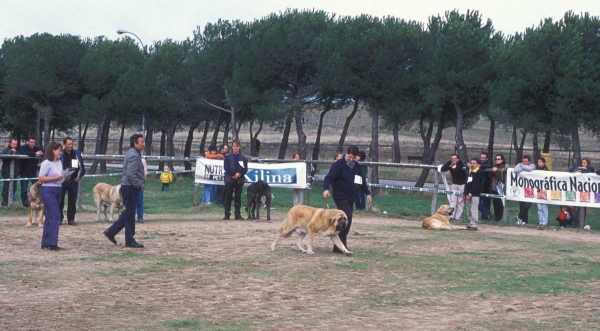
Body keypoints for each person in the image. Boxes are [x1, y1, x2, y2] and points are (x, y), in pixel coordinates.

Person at [323, 145, 372, 253]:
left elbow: (361, 181)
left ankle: (337, 247)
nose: (351, 160)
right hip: (340, 195)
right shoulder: (338, 165)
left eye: (353, 158)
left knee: (346, 221)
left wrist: (367, 193)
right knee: (346, 218)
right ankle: (342, 246)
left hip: (351, 196)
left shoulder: (356, 166)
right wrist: (326, 189)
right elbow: (329, 177)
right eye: (349, 157)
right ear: (346, 153)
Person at [103, 134, 146, 248]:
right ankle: (129, 240)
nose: (144, 144)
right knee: (130, 214)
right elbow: (130, 174)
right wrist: (139, 185)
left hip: (129, 186)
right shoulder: (133, 155)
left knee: (129, 212)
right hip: (130, 187)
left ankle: (111, 231)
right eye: (142, 142)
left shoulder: (133, 153)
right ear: (135, 143)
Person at [38, 141, 65, 251]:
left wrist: (64, 177)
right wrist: (55, 178)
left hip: (58, 189)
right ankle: (52, 242)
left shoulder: (59, 162)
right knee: (55, 215)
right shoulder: (46, 163)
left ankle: (46, 242)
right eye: (59, 150)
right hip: (48, 190)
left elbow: (60, 175)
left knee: (50, 215)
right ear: (53, 151)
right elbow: (41, 178)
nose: (61, 153)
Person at [59, 137, 85, 226]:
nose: (71, 146)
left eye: (72, 144)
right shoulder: (60, 154)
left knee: (72, 201)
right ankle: (59, 218)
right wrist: (61, 177)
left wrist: (78, 177)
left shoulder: (77, 154)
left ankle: (71, 219)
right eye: (69, 144)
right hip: (62, 181)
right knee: (60, 200)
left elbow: (82, 168)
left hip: (73, 181)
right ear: (64, 144)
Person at [223, 139, 248, 220]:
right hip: (229, 179)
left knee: (238, 197)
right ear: (232, 147)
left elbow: (245, 169)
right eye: (234, 146)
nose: (235, 148)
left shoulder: (243, 158)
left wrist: (238, 174)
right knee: (228, 197)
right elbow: (226, 167)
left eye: (237, 146)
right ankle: (227, 214)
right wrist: (234, 174)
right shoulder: (227, 157)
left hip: (239, 180)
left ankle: (237, 214)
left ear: (239, 147)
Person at [440, 154, 467, 220]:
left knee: (460, 201)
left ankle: (458, 217)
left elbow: (458, 169)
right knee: (453, 200)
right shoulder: (450, 163)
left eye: (455, 158)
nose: (453, 160)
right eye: (452, 158)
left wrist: (454, 167)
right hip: (454, 184)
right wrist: (451, 166)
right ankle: (450, 216)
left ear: (458, 159)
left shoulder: (460, 163)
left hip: (462, 184)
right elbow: (443, 168)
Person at [569, 158, 594, 228]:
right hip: (578, 191)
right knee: (576, 209)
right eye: (582, 162)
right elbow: (570, 170)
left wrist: (580, 170)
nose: (583, 164)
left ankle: (581, 224)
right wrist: (578, 169)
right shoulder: (579, 168)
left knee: (583, 209)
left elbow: (587, 171)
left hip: (586, 192)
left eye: (585, 163)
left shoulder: (590, 169)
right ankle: (573, 225)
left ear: (588, 164)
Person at [19, 137, 43, 207]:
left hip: (33, 172)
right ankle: (25, 204)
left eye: (34, 142)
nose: (33, 144)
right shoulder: (23, 147)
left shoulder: (37, 148)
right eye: (31, 142)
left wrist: (41, 153)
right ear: (28, 142)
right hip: (24, 172)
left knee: (37, 187)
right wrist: (35, 153)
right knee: (24, 189)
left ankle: (37, 201)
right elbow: (24, 153)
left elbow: (43, 152)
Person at [463, 158, 484, 231]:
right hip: (468, 194)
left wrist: (470, 193)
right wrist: (465, 193)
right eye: (471, 163)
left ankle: (474, 224)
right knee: (468, 208)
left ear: (478, 164)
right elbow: (467, 183)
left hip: (474, 194)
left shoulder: (478, 173)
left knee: (473, 208)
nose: (472, 165)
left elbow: (476, 185)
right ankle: (469, 222)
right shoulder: (470, 171)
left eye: (474, 163)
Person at [514, 155, 536, 225]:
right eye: (523, 161)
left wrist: (522, 166)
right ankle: (524, 220)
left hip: (530, 188)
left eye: (525, 161)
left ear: (529, 162)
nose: (524, 163)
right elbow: (516, 170)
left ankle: (519, 216)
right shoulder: (520, 165)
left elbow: (530, 169)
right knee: (522, 205)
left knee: (527, 205)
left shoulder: (533, 165)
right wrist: (523, 166)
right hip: (521, 188)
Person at [1, 138, 20, 207]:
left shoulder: (17, 151)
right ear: (10, 143)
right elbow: (4, 156)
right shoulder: (6, 150)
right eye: (13, 144)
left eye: (16, 144)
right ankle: (5, 203)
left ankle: (10, 201)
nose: (15, 145)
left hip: (15, 173)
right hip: (6, 172)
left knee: (14, 188)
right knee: (6, 188)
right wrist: (11, 152)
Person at [489, 154, 506, 221]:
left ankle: (500, 217)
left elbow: (501, 178)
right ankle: (496, 216)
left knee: (501, 202)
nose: (497, 160)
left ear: (502, 160)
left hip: (501, 186)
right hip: (494, 186)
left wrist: (496, 171)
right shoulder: (494, 166)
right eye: (496, 159)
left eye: (498, 159)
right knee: (495, 202)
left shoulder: (504, 167)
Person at [478, 152, 492, 221]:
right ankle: (488, 214)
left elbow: (489, 166)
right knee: (478, 203)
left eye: (484, 158)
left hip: (486, 187)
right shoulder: (477, 164)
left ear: (487, 159)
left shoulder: (489, 164)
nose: (482, 159)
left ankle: (485, 219)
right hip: (478, 187)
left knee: (487, 204)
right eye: (481, 158)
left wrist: (479, 166)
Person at [536, 157, 549, 230]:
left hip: (544, 190)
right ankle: (540, 222)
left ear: (544, 163)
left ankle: (545, 222)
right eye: (538, 162)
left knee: (544, 207)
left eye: (540, 162)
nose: (539, 163)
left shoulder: (546, 171)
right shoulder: (536, 171)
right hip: (538, 190)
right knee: (539, 207)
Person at [137, 156, 147, 223]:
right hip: (130, 183)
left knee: (140, 200)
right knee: (130, 202)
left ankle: (140, 217)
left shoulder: (142, 160)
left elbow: (145, 173)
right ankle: (129, 217)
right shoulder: (129, 158)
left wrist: (143, 182)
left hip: (139, 183)